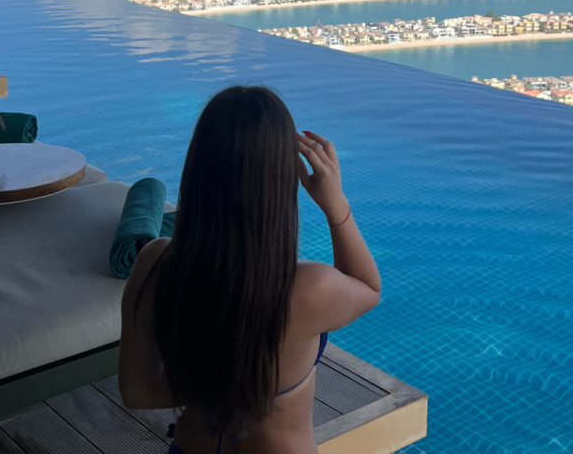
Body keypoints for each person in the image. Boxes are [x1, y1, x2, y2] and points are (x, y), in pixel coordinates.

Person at [118, 85, 381, 454]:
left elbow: (137, 392)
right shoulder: (309, 288)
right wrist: (335, 203)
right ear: (281, 179)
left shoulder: (155, 264)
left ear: (197, 169)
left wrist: (215, 384)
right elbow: (369, 288)